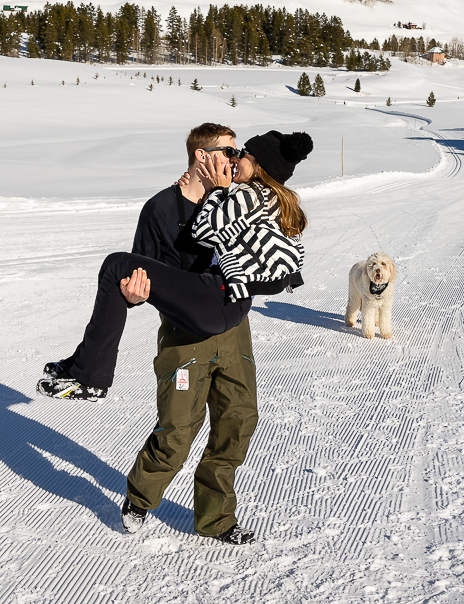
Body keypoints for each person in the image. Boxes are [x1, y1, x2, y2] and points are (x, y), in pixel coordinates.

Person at [39, 128, 313, 545]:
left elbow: (270, 254)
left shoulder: (243, 196)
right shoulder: (160, 210)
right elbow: (141, 281)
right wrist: (132, 295)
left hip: (235, 332)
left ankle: (216, 520)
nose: (235, 158)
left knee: (237, 423)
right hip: (185, 337)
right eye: (229, 150)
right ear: (202, 156)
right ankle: (140, 498)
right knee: (178, 432)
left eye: (240, 151)